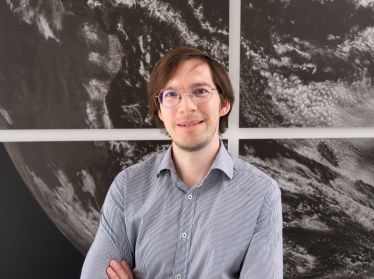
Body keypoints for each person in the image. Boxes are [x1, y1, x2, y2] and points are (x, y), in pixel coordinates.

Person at [80, 47, 283, 279]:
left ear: (224, 104)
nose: (186, 107)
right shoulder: (127, 187)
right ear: (159, 111)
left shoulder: (261, 193)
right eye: (171, 95)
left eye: (200, 91)